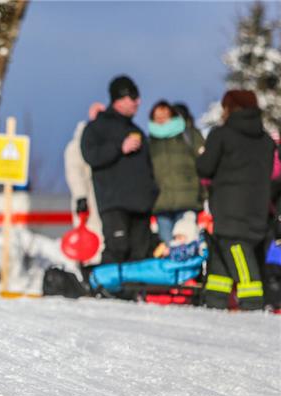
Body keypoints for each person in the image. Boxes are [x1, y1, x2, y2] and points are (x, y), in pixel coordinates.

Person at [197, 90, 276, 311]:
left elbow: (204, 168)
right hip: (258, 211)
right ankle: (214, 301)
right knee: (222, 260)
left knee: (240, 259)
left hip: (229, 212)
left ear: (230, 108)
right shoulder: (266, 141)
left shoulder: (222, 135)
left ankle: (253, 305)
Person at [81, 75, 158, 264]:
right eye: (133, 97)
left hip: (141, 206)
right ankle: (106, 291)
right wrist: (119, 148)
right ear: (120, 99)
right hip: (114, 204)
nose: (138, 102)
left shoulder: (137, 130)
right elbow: (91, 156)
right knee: (118, 247)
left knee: (139, 253)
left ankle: (132, 293)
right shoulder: (96, 127)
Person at [148, 100, 205, 246]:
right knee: (167, 248)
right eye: (157, 116)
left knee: (188, 246)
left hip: (188, 200)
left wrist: (204, 195)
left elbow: (204, 164)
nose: (161, 119)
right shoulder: (149, 143)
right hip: (161, 204)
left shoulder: (189, 135)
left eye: (164, 115)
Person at [64, 102, 106, 264]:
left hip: (104, 201)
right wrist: (81, 197)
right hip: (87, 203)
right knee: (89, 242)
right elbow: (74, 172)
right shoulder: (77, 144)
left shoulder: (107, 144)